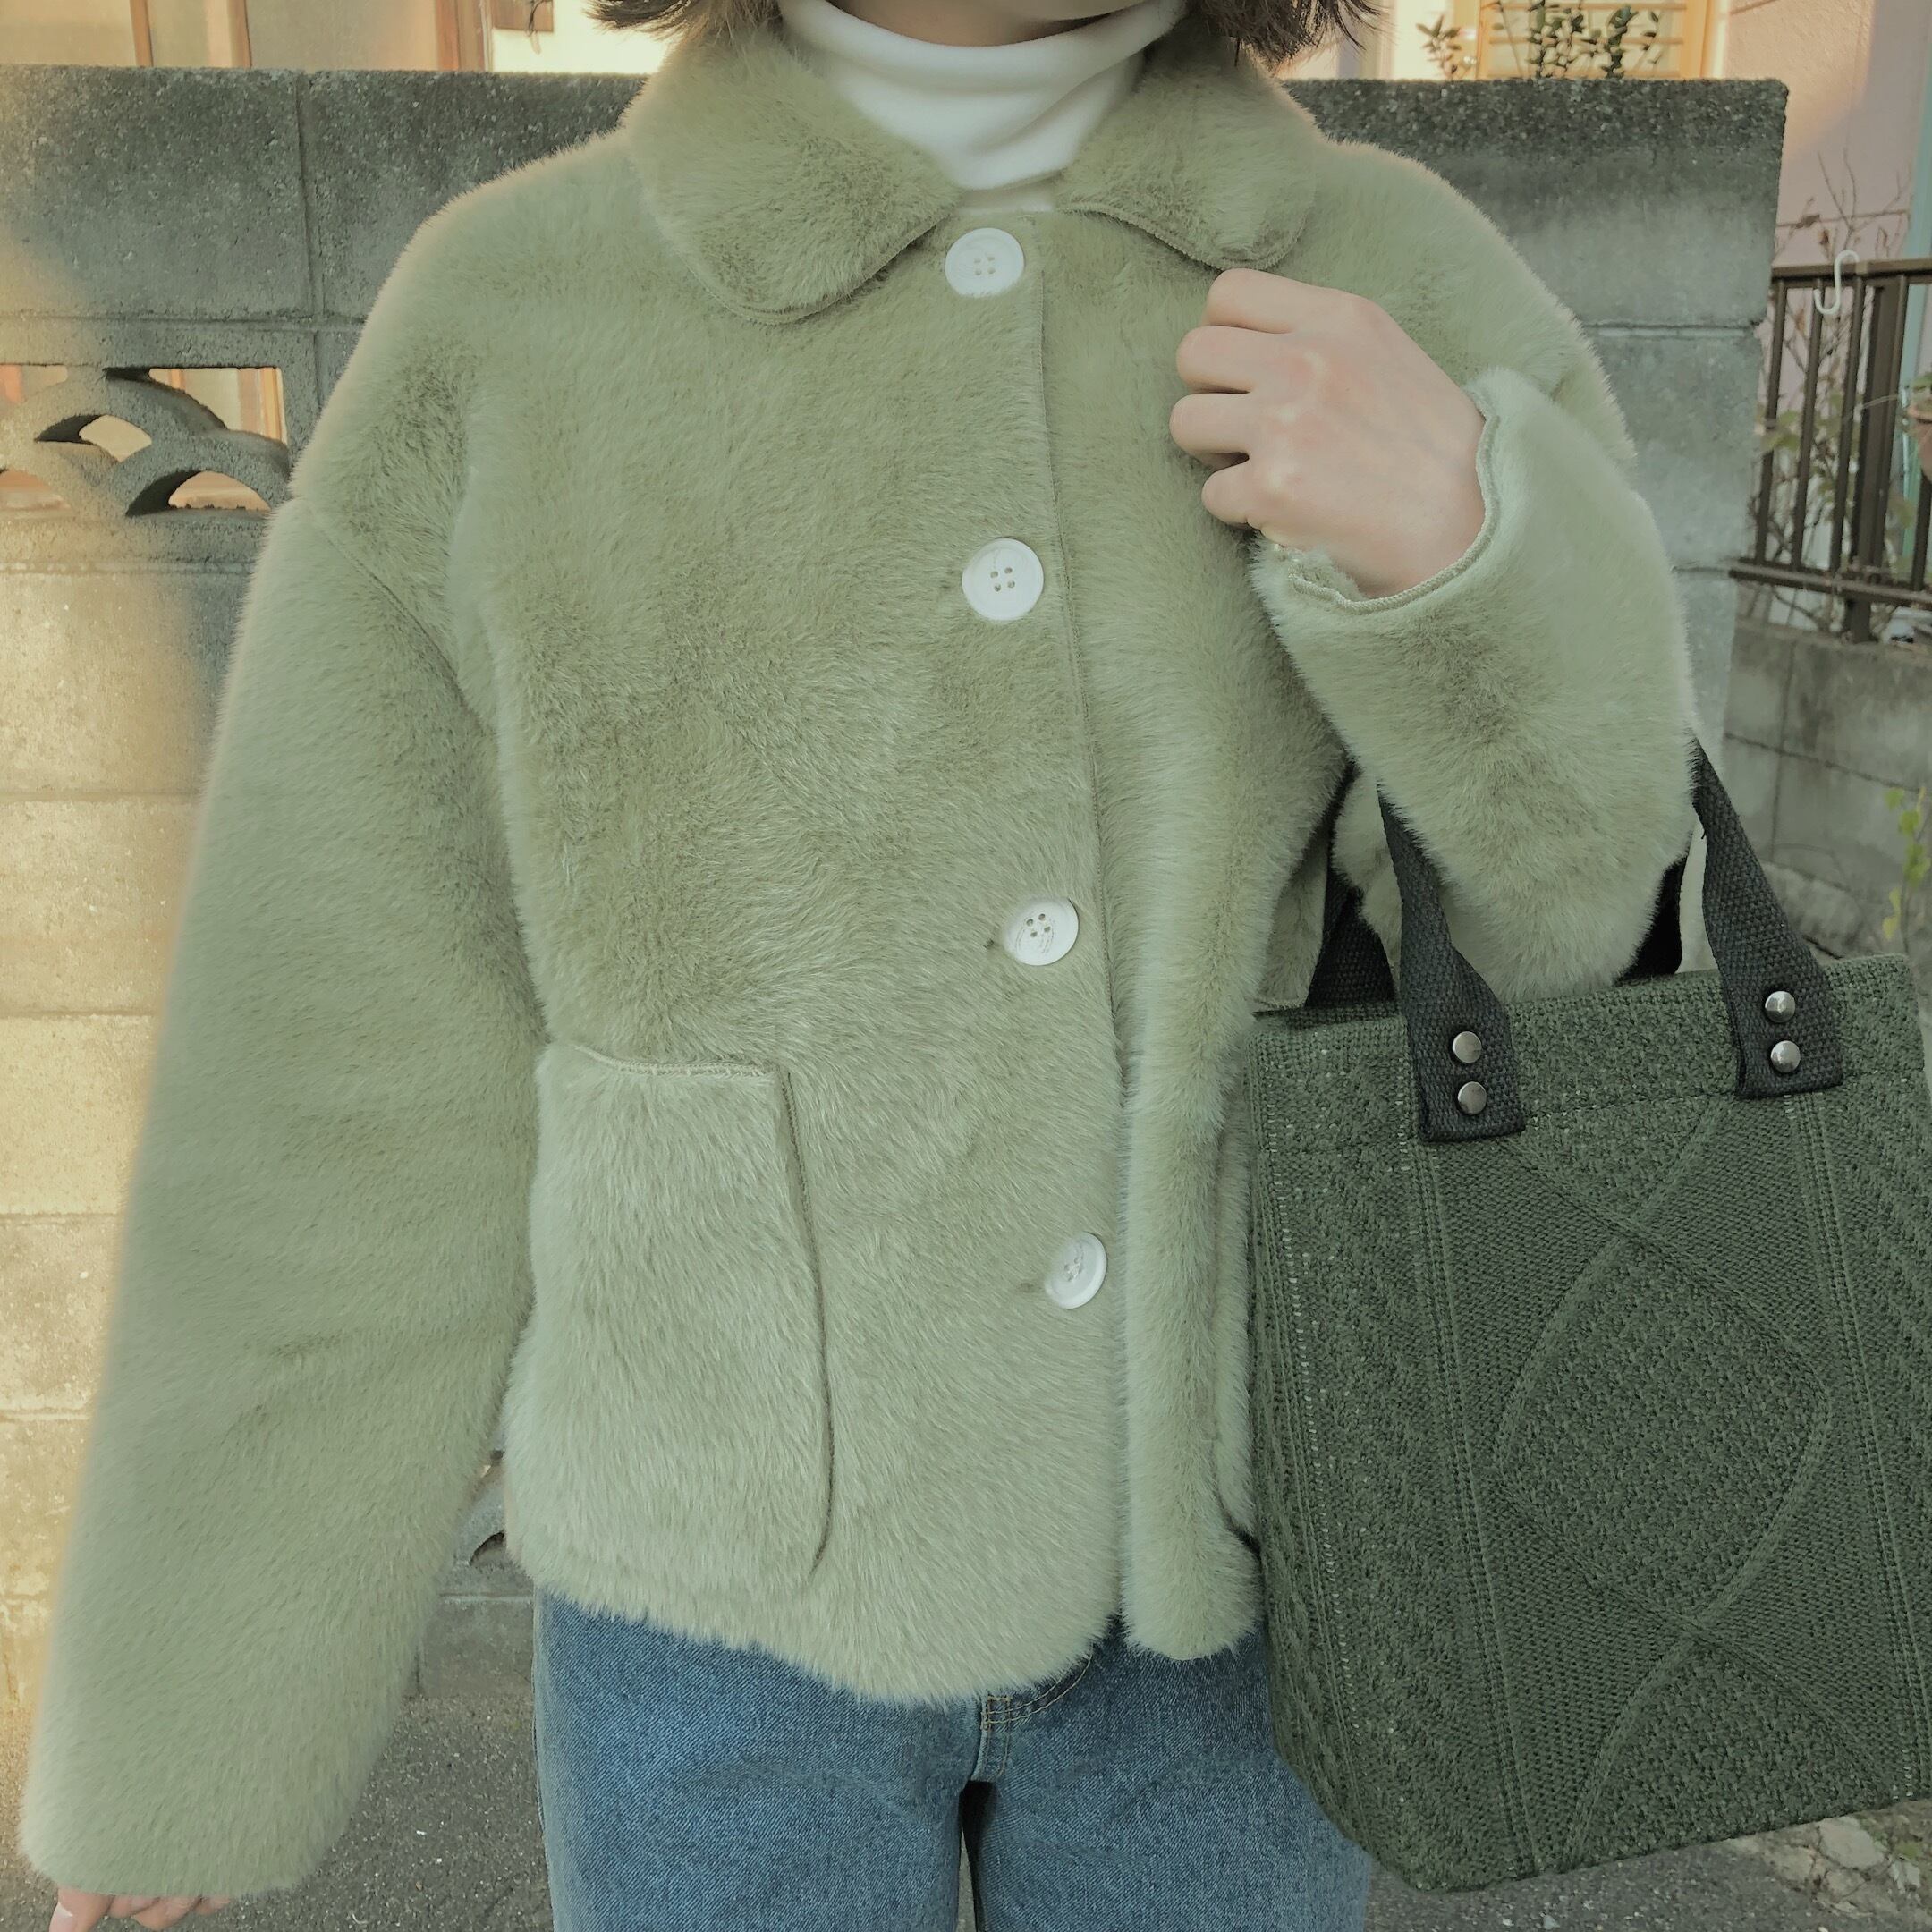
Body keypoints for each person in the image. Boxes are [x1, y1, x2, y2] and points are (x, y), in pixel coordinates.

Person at [21, 0, 1703, 1923]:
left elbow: (1565, 961)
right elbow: (339, 1083)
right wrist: (191, 1726)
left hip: (1241, 1577)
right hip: (707, 1604)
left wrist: (1472, 565)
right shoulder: (514, 313)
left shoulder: (1388, 281)